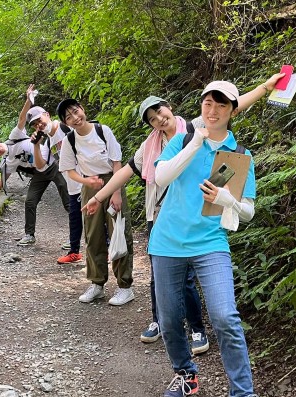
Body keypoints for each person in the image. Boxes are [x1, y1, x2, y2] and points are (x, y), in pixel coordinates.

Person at [82, 75, 283, 352]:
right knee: (160, 278)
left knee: (188, 280)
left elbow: (232, 106)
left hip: (195, 216)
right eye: (152, 119)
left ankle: (197, 329)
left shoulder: (194, 128)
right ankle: (160, 321)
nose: (159, 120)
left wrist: (266, 87)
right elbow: (126, 172)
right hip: (160, 216)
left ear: (169, 107)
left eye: (160, 112)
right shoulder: (149, 146)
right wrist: (98, 197)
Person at [148, 80, 271, 397]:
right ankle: (185, 373)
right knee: (169, 319)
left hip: (210, 243)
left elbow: (247, 211)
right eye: (207, 102)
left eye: (221, 104)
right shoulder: (184, 138)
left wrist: (225, 198)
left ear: (233, 110)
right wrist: (197, 143)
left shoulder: (238, 155)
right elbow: (160, 176)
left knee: (224, 316)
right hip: (167, 242)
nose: (212, 110)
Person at [56, 98, 135, 306]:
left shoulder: (103, 130)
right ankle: (97, 283)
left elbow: (117, 163)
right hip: (90, 186)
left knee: (119, 232)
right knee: (93, 235)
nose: (75, 118)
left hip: (113, 180)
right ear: (65, 123)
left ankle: (124, 286)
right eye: (69, 117)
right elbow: (69, 169)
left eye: (75, 111)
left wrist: (116, 192)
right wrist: (86, 180)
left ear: (82, 108)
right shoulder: (69, 140)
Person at [0, 86, 70, 247]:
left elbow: (21, 119)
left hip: (53, 165)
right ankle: (29, 235)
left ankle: (74, 235)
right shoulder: (8, 160)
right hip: (39, 173)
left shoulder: (14, 137)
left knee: (67, 200)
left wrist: (28, 100)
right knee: (30, 201)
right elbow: (2, 180)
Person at [26, 91, 84, 265]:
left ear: (47, 115)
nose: (39, 124)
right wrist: (35, 145)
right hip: (72, 183)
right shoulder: (49, 141)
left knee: (92, 215)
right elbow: (41, 165)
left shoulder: (67, 127)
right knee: (74, 215)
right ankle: (74, 252)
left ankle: (106, 247)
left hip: (86, 178)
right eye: (35, 124)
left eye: (40, 120)